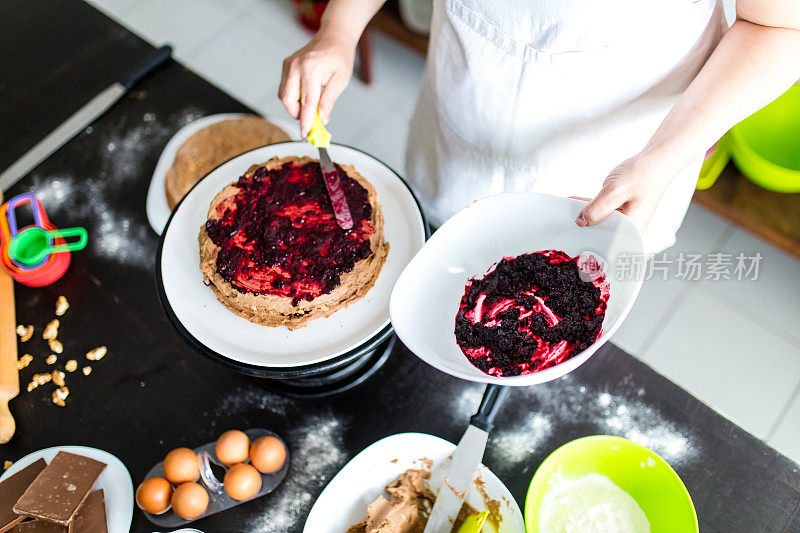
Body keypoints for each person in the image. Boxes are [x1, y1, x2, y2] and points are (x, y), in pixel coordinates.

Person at [279, 0, 800, 252]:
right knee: (440, 250)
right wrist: (340, 29)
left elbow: (779, 28)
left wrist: (666, 157)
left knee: (552, 311)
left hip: (615, 166)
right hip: (462, 113)